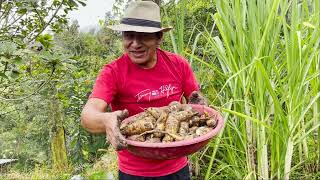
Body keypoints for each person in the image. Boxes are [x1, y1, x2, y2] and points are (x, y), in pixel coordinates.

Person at [80, 1, 207, 179]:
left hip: (177, 168)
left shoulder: (177, 64)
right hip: (134, 173)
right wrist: (107, 119)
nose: (135, 44)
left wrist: (199, 108)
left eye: (143, 36)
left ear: (158, 38)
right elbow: (88, 116)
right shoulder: (113, 72)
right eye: (129, 36)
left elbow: (196, 99)